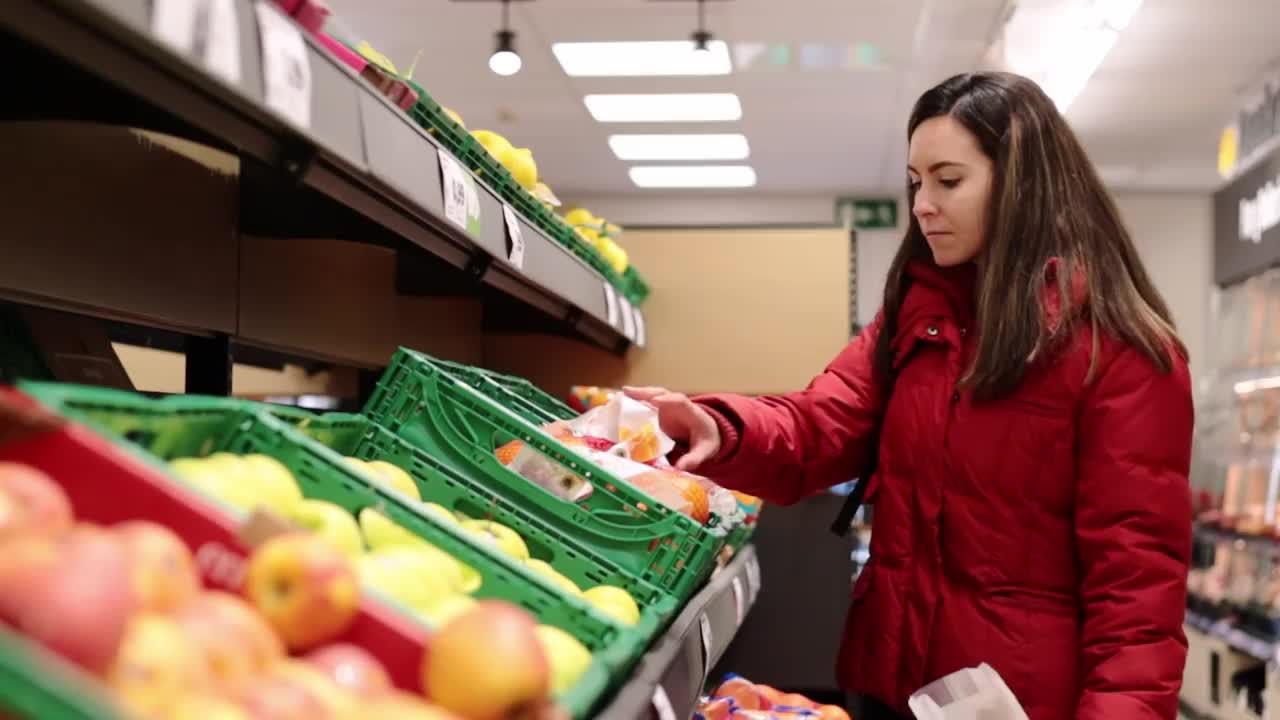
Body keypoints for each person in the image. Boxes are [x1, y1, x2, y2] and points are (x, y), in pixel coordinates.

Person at [626, 71, 1193, 720]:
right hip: (893, 685)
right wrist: (717, 426)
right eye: (916, 182)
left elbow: (1137, 600)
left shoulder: (1117, 356)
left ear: (1023, 185)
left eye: (948, 181)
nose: (923, 203)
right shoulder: (915, 320)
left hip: (1023, 704)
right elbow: (820, 424)